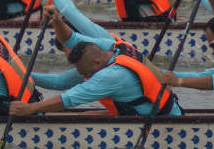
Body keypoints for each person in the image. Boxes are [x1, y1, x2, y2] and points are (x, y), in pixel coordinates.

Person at [10, 40, 180, 117]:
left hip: (162, 121)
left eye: (85, 74)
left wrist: (30, 109)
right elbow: (59, 83)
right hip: (146, 111)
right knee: (86, 115)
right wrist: (23, 73)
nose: (85, 77)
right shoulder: (110, 55)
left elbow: (68, 99)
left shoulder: (109, 76)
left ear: (96, 62)